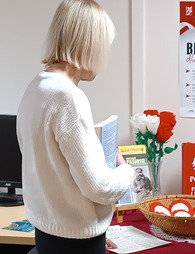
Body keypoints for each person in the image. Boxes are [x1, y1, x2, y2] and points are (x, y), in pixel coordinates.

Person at [16, 0, 135, 253]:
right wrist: (127, 171)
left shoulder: (36, 88)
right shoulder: (68, 97)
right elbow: (99, 186)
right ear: (89, 44)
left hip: (48, 237)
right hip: (76, 244)